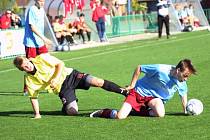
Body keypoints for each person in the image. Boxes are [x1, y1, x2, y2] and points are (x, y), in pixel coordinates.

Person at [13, 53, 129, 119]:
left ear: (28, 59)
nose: (28, 66)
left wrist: (55, 78)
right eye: (25, 67)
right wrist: (37, 114)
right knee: (72, 112)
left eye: (27, 63)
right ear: (21, 70)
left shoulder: (42, 58)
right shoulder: (29, 80)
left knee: (98, 82)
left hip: (71, 75)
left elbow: (60, 64)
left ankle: (125, 92)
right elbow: (33, 97)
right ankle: (66, 105)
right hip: (63, 89)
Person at [90, 59, 197, 119]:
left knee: (160, 114)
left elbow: (183, 96)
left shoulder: (181, 81)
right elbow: (139, 68)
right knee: (120, 116)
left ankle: (134, 111)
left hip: (153, 98)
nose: (186, 79)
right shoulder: (160, 69)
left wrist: (186, 110)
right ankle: (104, 112)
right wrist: (132, 85)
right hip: (138, 92)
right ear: (178, 70)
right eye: (185, 75)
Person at [23, 0, 52, 94]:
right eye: (40, 1)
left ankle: (48, 85)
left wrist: (45, 39)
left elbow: (42, 26)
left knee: (46, 63)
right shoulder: (32, 9)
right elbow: (32, 27)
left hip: (40, 42)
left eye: (43, 1)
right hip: (31, 43)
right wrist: (44, 38)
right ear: (36, 1)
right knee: (29, 66)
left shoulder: (42, 10)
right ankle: (27, 88)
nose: (42, 3)